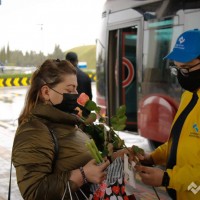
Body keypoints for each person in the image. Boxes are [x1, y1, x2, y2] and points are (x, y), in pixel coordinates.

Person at [11, 59, 110, 200]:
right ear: (46, 92)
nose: (75, 94)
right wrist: (82, 175)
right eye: (69, 89)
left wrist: (112, 158)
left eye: (76, 88)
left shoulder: (68, 123)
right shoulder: (33, 131)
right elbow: (33, 191)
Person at [135, 29, 200, 200]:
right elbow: (179, 141)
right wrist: (152, 157)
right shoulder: (189, 95)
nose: (181, 75)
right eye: (177, 69)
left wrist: (167, 178)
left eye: (186, 69)